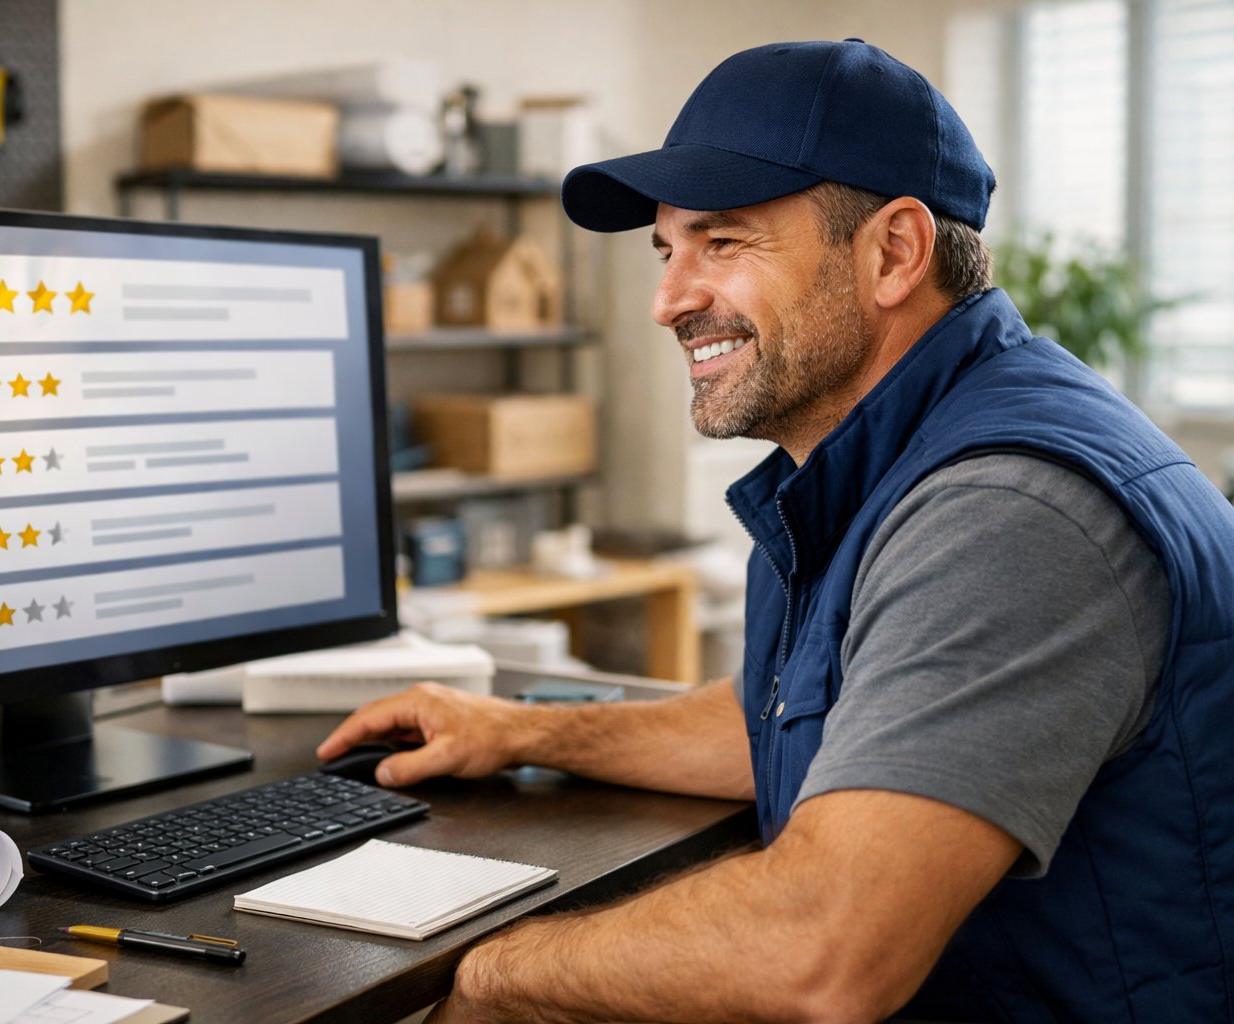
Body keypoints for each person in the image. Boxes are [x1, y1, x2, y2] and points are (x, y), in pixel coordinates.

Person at [319, 39, 1234, 1022]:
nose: (670, 300)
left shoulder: (1009, 511)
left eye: (723, 242)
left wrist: (496, 975)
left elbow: (823, 949)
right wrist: (522, 730)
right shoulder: (881, 459)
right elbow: (826, 711)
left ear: (893, 253)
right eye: (667, 250)